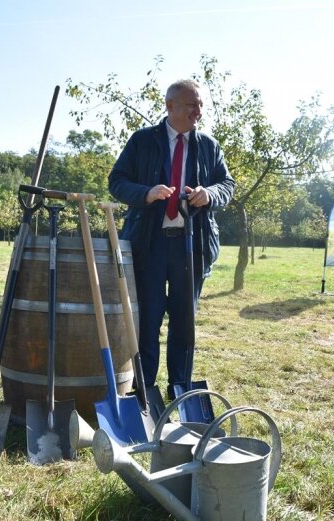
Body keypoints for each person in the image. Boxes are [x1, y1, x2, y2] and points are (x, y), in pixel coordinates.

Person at [108, 79, 235, 398]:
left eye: (201, 104)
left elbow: (227, 185)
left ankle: (180, 389)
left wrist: (210, 194)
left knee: (184, 324)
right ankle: (144, 389)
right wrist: (146, 193)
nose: (199, 111)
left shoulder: (209, 146)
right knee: (147, 322)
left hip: (191, 246)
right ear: (171, 106)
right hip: (148, 246)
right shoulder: (142, 141)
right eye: (192, 104)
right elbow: (117, 182)